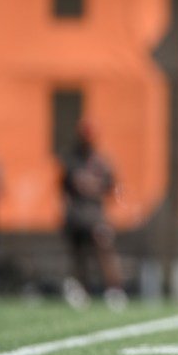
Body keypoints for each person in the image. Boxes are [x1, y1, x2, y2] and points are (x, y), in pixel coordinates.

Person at [60, 121, 127, 310]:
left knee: (104, 249)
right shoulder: (72, 160)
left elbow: (111, 186)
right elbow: (67, 186)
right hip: (77, 214)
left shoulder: (100, 161)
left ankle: (114, 289)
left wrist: (96, 188)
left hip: (95, 214)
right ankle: (82, 289)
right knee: (79, 253)